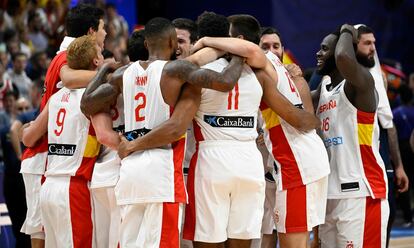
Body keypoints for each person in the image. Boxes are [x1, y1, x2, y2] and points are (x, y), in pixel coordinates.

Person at [120, 14, 320, 248]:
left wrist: (132, 144)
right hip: (248, 161)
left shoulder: (194, 75)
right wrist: (315, 122)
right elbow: (293, 115)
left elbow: (177, 124)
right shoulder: (257, 74)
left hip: (210, 162)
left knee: (207, 242)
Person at [192, 14, 329, 248]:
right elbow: (302, 116)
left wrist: (205, 40)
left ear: (239, 40)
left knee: (293, 241)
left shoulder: (261, 60)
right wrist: (310, 122)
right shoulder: (275, 65)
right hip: (301, 156)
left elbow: (296, 117)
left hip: (297, 161)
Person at [17, 4, 107, 248]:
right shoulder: (66, 59)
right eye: (102, 27)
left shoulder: (64, 57)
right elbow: (68, 78)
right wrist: (116, 73)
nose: (106, 33)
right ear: (90, 32)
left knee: (47, 234)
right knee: (40, 233)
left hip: (50, 158)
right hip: (45, 156)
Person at [314, 25, 389, 247]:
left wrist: (347, 29)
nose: (318, 53)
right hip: (330, 195)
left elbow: (344, 57)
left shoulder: (361, 83)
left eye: (325, 48)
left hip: (361, 193)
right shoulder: (323, 89)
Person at [355, 24, 409, 246]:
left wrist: (398, 166)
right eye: (367, 43)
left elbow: (389, 125)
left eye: (374, 43)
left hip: (376, 157)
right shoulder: (334, 75)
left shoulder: (377, 77)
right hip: (346, 163)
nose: (373, 48)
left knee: (386, 216)